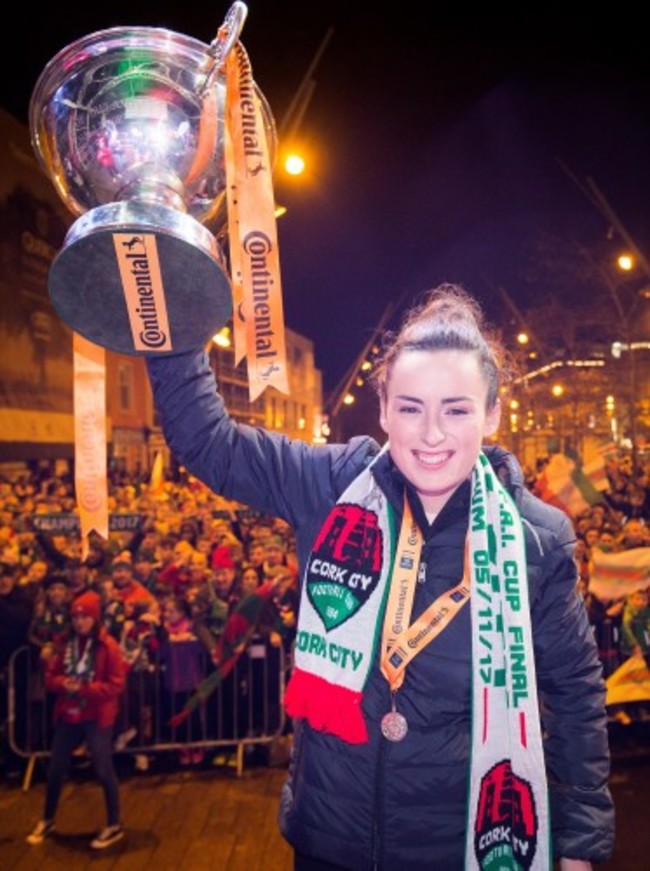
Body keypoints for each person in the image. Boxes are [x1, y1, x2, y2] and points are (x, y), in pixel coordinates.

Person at [146, 284, 614, 869]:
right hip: (331, 840)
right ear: (385, 409)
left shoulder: (536, 536)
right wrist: (165, 305)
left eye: (457, 409)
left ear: (492, 413)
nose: (432, 434)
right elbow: (207, 441)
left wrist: (578, 842)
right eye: (411, 408)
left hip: (462, 847)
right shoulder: (332, 483)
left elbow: (574, 693)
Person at [26, 590, 127, 849]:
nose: (79, 622)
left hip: (96, 714)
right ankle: (48, 818)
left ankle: (114, 823)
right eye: (75, 618)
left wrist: (84, 689)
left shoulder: (108, 646)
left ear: (94, 618)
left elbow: (116, 685)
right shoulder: (65, 644)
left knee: (103, 768)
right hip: (68, 712)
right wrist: (63, 683)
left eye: (84, 617)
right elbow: (50, 677)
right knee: (56, 768)